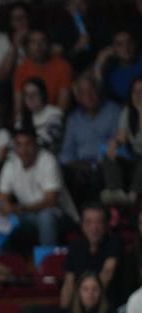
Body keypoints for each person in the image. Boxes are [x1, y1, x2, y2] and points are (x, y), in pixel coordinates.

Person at [0, 128, 76, 248]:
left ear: (36, 145)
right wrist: (5, 206)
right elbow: (2, 195)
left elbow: (51, 201)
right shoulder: (11, 164)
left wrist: (19, 208)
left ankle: (47, 263)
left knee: (46, 217)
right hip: (27, 215)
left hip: (60, 215)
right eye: (19, 145)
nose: (24, 150)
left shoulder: (48, 160)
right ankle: (3, 263)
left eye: (28, 144)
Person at [59, 74, 120, 203]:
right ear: (78, 97)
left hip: (106, 166)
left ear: (99, 91)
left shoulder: (113, 111)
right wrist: (81, 166)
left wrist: (95, 165)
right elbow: (65, 154)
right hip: (80, 168)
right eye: (84, 92)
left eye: (92, 90)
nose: (89, 96)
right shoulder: (74, 119)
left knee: (95, 178)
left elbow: (117, 143)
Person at [59, 203, 121, 309]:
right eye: (89, 222)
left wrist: (86, 304)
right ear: (82, 225)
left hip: (109, 307)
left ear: (106, 225)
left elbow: (107, 273)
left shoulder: (114, 243)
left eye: (98, 222)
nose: (94, 227)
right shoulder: (75, 247)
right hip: (79, 308)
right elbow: (69, 283)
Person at [101, 76, 142, 206]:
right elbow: (122, 138)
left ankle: (132, 196)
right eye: (135, 92)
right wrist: (113, 143)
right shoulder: (127, 112)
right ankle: (115, 191)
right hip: (133, 154)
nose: (138, 95)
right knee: (107, 151)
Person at [13, 29, 74, 112]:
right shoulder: (21, 69)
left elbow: (62, 107)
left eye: (42, 41)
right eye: (33, 42)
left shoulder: (63, 66)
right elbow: (18, 108)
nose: (38, 45)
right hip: (29, 119)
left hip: (54, 118)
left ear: (49, 45)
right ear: (27, 47)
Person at [50, 0, 110, 73]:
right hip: (71, 69)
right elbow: (56, 59)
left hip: (95, 68)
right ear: (67, 7)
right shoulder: (60, 27)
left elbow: (106, 50)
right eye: (74, 4)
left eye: (82, 3)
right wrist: (76, 48)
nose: (78, 8)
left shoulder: (97, 23)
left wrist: (97, 66)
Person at [14, 77, 65, 154]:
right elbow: (15, 144)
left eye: (34, 94)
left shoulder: (55, 114)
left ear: (42, 95)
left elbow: (48, 143)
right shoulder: (21, 118)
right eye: (26, 94)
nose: (29, 98)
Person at [94, 29, 142, 103]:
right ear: (113, 49)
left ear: (135, 43)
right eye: (120, 44)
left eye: (129, 42)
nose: (126, 48)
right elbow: (99, 96)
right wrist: (99, 63)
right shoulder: (112, 74)